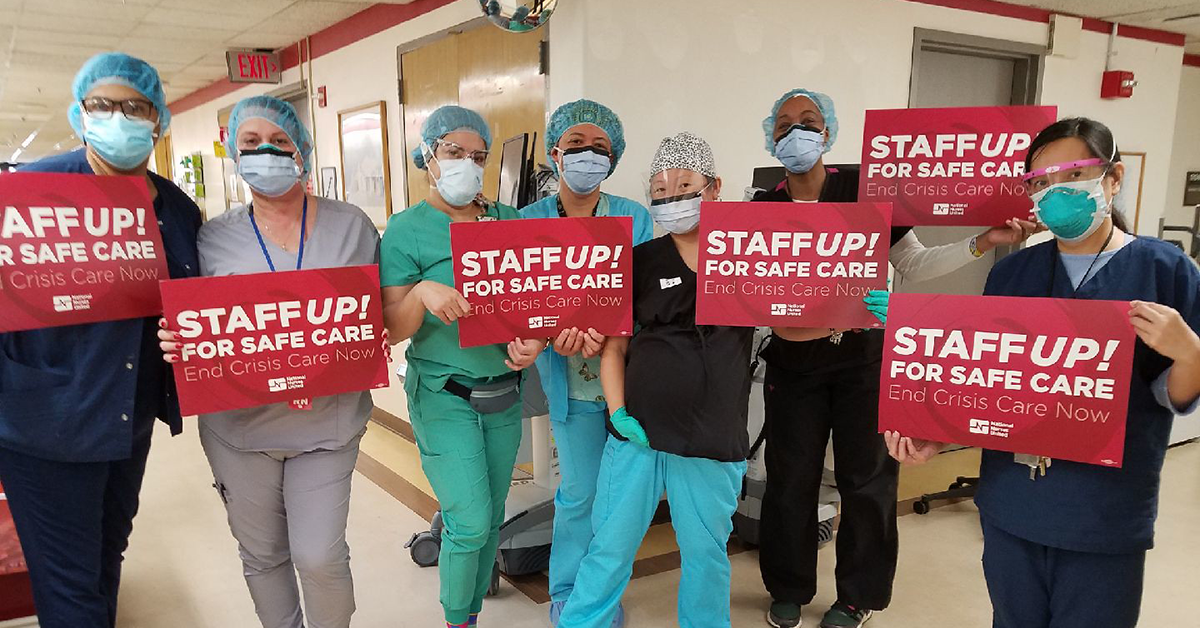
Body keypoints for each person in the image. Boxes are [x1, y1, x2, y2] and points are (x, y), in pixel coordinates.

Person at [885, 117, 1200, 628]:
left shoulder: (1163, 271)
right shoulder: (1013, 273)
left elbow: (1170, 393)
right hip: (1013, 503)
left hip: (1102, 509)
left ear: (1113, 177)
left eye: (1072, 176)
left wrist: (1190, 353)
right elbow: (989, 385)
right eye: (1040, 183)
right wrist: (936, 437)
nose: (1055, 193)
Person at [755, 88, 1039, 628]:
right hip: (794, 366)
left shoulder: (866, 191)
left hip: (865, 361)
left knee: (869, 480)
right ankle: (787, 585)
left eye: (809, 122)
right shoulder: (763, 210)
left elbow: (912, 263)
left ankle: (859, 595)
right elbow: (757, 296)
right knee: (790, 478)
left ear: (829, 131)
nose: (797, 134)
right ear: (771, 138)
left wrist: (981, 242)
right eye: (785, 125)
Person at [156, 95, 379, 628]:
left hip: (327, 423)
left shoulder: (353, 227)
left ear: (302, 148)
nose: (266, 153)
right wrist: (178, 340)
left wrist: (382, 327)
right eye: (250, 144)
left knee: (319, 555)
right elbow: (192, 320)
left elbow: (380, 306)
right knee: (262, 556)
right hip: (239, 432)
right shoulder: (211, 238)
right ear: (233, 154)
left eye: (279, 142)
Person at [0, 52, 201, 628]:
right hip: (44, 424)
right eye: (103, 105)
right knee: (69, 586)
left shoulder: (178, 210)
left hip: (127, 420)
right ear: (79, 113)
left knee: (105, 558)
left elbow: (188, 305)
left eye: (135, 106)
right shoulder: (31, 193)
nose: (120, 116)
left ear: (157, 117)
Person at [554, 131, 749, 628]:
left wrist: (849, 311)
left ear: (714, 187)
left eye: (685, 187)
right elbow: (615, 346)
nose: (672, 200)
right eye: (660, 192)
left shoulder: (748, 258)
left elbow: (791, 321)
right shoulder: (640, 261)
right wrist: (619, 413)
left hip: (712, 436)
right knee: (610, 546)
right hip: (639, 431)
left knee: (706, 554)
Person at [380, 105, 545, 628]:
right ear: (428, 156)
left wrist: (534, 342)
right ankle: (457, 618)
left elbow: (532, 300)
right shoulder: (407, 230)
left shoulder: (509, 221)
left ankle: (470, 614)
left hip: (504, 391)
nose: (467, 165)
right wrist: (422, 293)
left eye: (478, 156)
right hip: (444, 393)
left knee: (490, 520)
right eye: (454, 152)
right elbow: (391, 328)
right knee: (469, 522)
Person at [519, 99, 653, 628]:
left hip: (626, 378)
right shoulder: (528, 220)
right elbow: (519, 296)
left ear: (614, 156)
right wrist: (553, 333)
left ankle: (603, 592)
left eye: (600, 147)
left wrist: (611, 328)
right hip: (568, 383)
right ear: (554, 152)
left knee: (621, 500)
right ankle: (568, 589)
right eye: (575, 145)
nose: (587, 155)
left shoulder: (634, 217)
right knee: (578, 492)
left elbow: (644, 295)